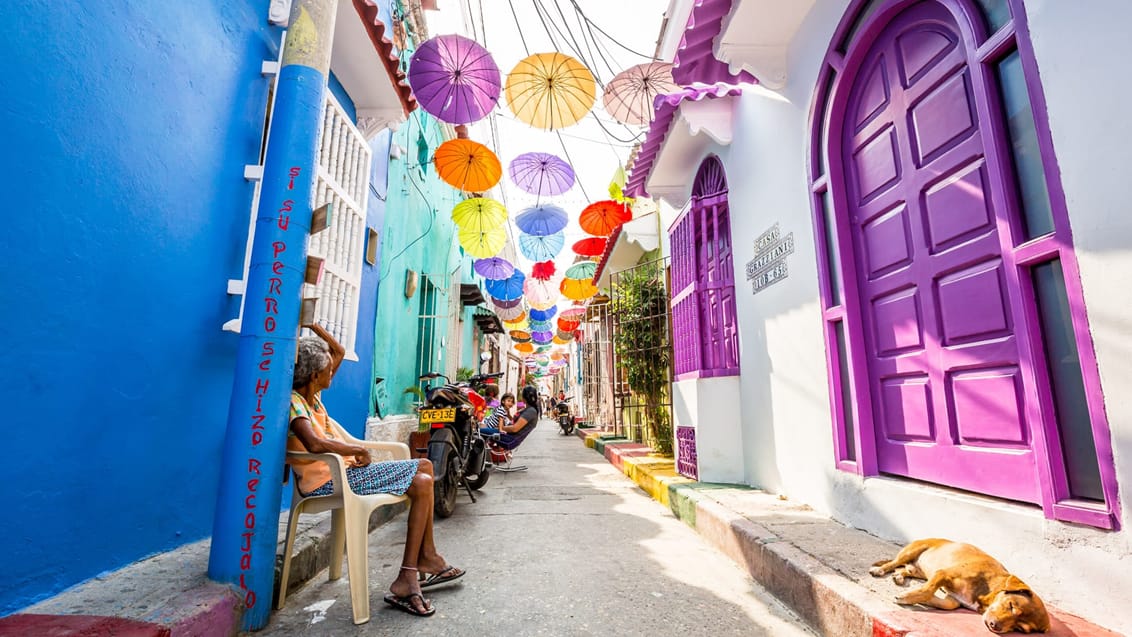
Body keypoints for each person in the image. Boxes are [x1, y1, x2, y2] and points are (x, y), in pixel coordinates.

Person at [288, 323, 464, 618]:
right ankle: (416, 570)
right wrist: (355, 450)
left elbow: (339, 351)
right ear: (315, 375)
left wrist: (311, 326)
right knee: (422, 478)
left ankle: (419, 565)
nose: (334, 371)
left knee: (424, 471)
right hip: (328, 482)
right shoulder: (296, 403)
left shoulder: (312, 397)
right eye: (329, 370)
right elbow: (315, 443)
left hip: (344, 475)